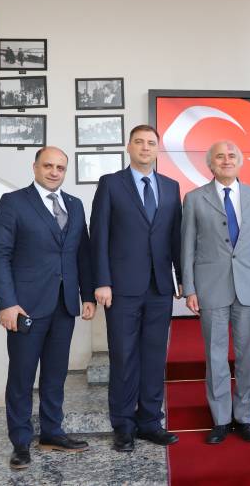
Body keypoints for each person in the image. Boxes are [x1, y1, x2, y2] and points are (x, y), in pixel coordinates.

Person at [0, 147, 96, 470]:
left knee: (55, 374)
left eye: (60, 167)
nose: (54, 172)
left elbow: (83, 254)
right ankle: (20, 442)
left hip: (64, 305)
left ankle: (52, 432)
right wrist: (7, 303)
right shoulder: (13, 203)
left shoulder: (75, 205)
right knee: (21, 376)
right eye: (48, 165)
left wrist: (87, 295)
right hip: (25, 308)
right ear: (34, 167)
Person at [89, 124, 183, 453]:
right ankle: (124, 425)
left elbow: (175, 236)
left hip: (160, 286)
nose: (145, 147)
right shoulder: (111, 184)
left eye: (151, 143)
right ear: (128, 147)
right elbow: (98, 235)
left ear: (158, 149)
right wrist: (101, 281)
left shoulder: (171, 186)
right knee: (124, 356)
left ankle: (150, 422)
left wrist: (182, 279)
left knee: (154, 357)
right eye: (139, 142)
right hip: (121, 287)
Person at [181, 141, 250, 445]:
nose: (226, 160)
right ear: (210, 164)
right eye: (220, 156)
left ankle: (245, 418)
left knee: (249, 356)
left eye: (232, 155)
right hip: (211, 287)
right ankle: (220, 419)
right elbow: (187, 245)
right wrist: (189, 288)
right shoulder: (194, 198)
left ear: (240, 162)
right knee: (215, 356)